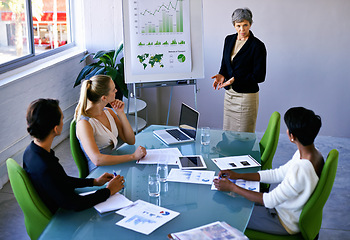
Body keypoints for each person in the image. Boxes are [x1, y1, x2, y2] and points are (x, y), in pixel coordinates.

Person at [214, 107, 324, 235]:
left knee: (227, 214)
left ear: (292, 136)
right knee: (235, 203)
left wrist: (232, 187)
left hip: (283, 221)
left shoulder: (301, 169)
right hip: (282, 209)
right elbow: (277, 174)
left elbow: (270, 200)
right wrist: (239, 176)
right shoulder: (312, 154)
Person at [23, 99, 124, 214]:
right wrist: (108, 191)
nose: (63, 121)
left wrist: (94, 182)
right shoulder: (46, 167)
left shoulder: (31, 151)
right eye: (62, 118)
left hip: (58, 201)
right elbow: (75, 203)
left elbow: (61, 180)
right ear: (56, 129)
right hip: (63, 215)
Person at [74, 75, 147, 172]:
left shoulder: (108, 111)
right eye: (113, 90)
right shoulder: (84, 123)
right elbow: (97, 160)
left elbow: (130, 140)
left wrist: (121, 113)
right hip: (99, 172)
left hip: (114, 162)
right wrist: (133, 156)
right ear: (104, 98)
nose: (116, 91)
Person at [212, 8, 267, 133]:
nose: (242, 29)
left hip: (246, 97)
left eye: (245, 25)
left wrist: (235, 79)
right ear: (234, 25)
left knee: (243, 135)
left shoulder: (257, 46)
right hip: (229, 95)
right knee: (228, 132)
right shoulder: (229, 40)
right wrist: (221, 74)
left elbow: (259, 76)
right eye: (238, 26)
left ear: (250, 24)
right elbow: (225, 63)